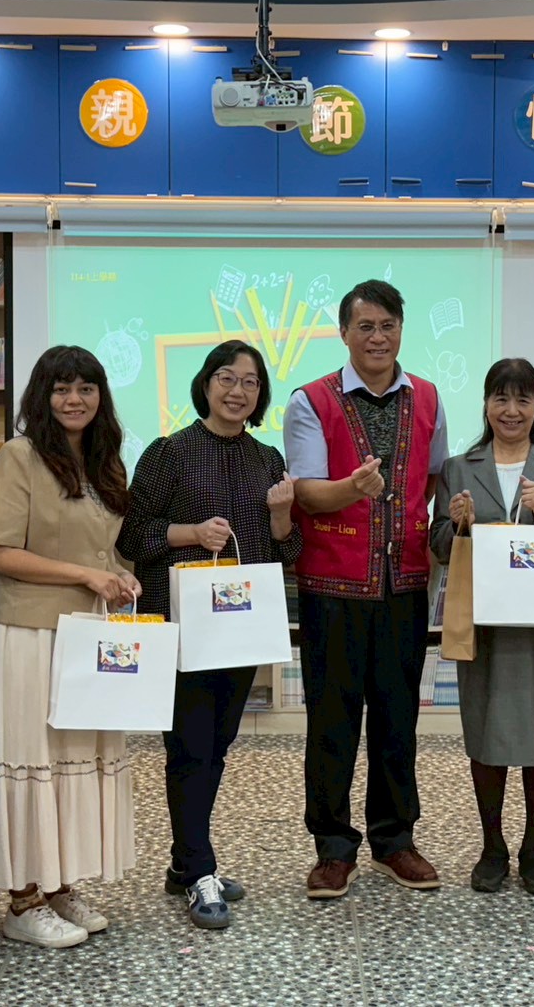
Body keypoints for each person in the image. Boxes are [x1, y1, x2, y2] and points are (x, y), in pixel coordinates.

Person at [117, 340, 302, 930]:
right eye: (226, 377)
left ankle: (184, 861)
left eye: (250, 382)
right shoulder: (168, 452)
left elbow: (287, 552)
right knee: (190, 746)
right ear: (205, 384)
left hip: (239, 629)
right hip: (184, 626)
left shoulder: (267, 459)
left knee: (216, 744)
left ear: (260, 395)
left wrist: (281, 514)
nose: (237, 391)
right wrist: (191, 532)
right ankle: (201, 870)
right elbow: (132, 536)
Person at [283, 279, 449, 899]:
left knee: (397, 720)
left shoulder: (428, 397)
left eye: (388, 326)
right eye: (365, 327)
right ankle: (332, 847)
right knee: (332, 722)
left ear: (401, 330)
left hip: (403, 584)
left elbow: (436, 478)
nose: (378, 337)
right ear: (344, 333)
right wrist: (352, 489)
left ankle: (394, 840)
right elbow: (305, 492)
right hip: (332, 586)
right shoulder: (310, 400)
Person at [0, 345, 141, 949]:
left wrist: (120, 577)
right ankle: (21, 902)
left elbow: (108, 549)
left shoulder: (106, 461)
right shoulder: (20, 456)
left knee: (74, 763)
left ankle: (59, 885)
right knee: (33, 762)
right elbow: (1, 554)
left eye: (86, 388)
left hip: (87, 633)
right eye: (62, 388)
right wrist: (86, 575)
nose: (75, 400)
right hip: (30, 634)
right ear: (41, 397)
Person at [429, 358, 534, 896]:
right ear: (485, 404)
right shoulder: (459, 467)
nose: (512, 410)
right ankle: (493, 846)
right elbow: (438, 544)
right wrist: (457, 524)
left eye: (523, 399)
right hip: (484, 622)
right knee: (485, 733)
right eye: (501, 398)